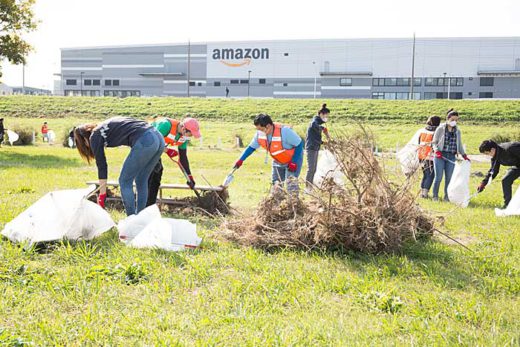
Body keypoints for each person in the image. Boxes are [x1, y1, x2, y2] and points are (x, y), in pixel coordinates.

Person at [74, 117, 164, 216]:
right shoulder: (105, 125)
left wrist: (102, 195)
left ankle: (131, 219)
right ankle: (141, 219)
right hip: (158, 138)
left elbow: (102, 166)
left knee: (124, 181)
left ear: (84, 140)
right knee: (141, 180)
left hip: (146, 139)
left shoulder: (95, 136)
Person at [232, 114, 303, 193]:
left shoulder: (285, 132)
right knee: (276, 184)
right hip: (277, 160)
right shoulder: (259, 134)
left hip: (292, 160)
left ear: (268, 126)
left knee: (291, 184)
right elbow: (251, 147)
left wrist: (294, 161)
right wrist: (240, 160)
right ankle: (277, 203)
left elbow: (299, 144)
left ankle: (293, 203)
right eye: (257, 129)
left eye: (261, 129)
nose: (259, 132)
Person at [146, 116, 201, 207]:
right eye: (190, 134)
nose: (189, 137)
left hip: (156, 150)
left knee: (157, 173)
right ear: (184, 129)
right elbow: (152, 142)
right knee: (152, 171)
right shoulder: (165, 125)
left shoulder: (183, 138)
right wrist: (167, 150)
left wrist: (189, 176)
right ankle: (142, 206)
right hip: (144, 145)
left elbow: (182, 157)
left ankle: (150, 205)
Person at [431, 109, 470, 201]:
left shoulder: (457, 131)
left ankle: (447, 196)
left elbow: (459, 145)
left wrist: (464, 155)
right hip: (440, 156)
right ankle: (435, 196)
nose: (454, 122)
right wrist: (436, 150)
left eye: (456, 120)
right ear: (447, 119)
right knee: (438, 177)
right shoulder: (440, 128)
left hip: (451, 156)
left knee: (449, 178)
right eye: (452, 120)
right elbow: (434, 142)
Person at [477, 140, 520, 208]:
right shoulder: (495, 157)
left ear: (492, 150)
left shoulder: (510, 148)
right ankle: (507, 205)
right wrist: (483, 183)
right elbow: (493, 171)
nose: (488, 156)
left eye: (487, 153)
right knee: (506, 180)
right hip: (517, 166)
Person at [305, 103, 330, 191]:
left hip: (315, 147)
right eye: (325, 115)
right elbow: (313, 125)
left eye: (328, 116)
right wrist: (322, 129)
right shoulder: (314, 121)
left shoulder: (318, 123)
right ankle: (307, 188)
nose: (326, 117)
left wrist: (323, 142)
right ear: (320, 114)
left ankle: (310, 187)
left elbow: (316, 137)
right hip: (311, 147)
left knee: (314, 169)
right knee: (311, 168)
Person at [417, 115, 441, 198]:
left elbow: (419, 141)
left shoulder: (423, 130)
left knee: (425, 174)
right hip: (430, 156)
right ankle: (424, 193)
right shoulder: (436, 132)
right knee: (430, 175)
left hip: (421, 155)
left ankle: (422, 192)